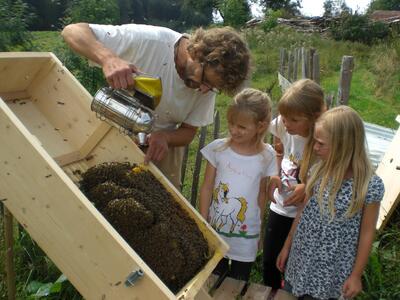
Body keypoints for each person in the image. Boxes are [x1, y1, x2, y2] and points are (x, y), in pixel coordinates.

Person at [61, 23, 250, 188]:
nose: (203, 90)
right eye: (205, 80)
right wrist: (108, 59)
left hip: (158, 150)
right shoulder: (149, 40)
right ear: (198, 53)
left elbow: (189, 131)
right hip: (110, 134)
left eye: (212, 88)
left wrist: (165, 137)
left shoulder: (207, 85)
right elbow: (72, 31)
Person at [276, 106, 385, 299]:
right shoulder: (318, 171)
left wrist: (356, 275)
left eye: (320, 143)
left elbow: (368, 232)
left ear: (343, 146)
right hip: (302, 256)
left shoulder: (369, 186)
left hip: (333, 270)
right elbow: (303, 211)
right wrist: (287, 245)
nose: (315, 148)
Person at [199, 88, 278, 281]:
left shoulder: (267, 156)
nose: (234, 130)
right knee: (213, 278)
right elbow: (207, 187)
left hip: (246, 232)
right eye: (231, 124)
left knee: (239, 280)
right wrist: (202, 222)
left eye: (242, 127)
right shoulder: (218, 149)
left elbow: (261, 194)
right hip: (216, 229)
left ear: (260, 126)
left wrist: (258, 228)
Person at [263, 79, 326, 294]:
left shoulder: (324, 140)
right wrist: (274, 170)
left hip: (306, 214)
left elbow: (333, 175)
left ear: (314, 118)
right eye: (284, 118)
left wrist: (307, 188)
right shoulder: (283, 123)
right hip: (280, 207)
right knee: (270, 258)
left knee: (293, 263)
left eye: (294, 120)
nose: (286, 124)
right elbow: (276, 149)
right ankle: (271, 293)